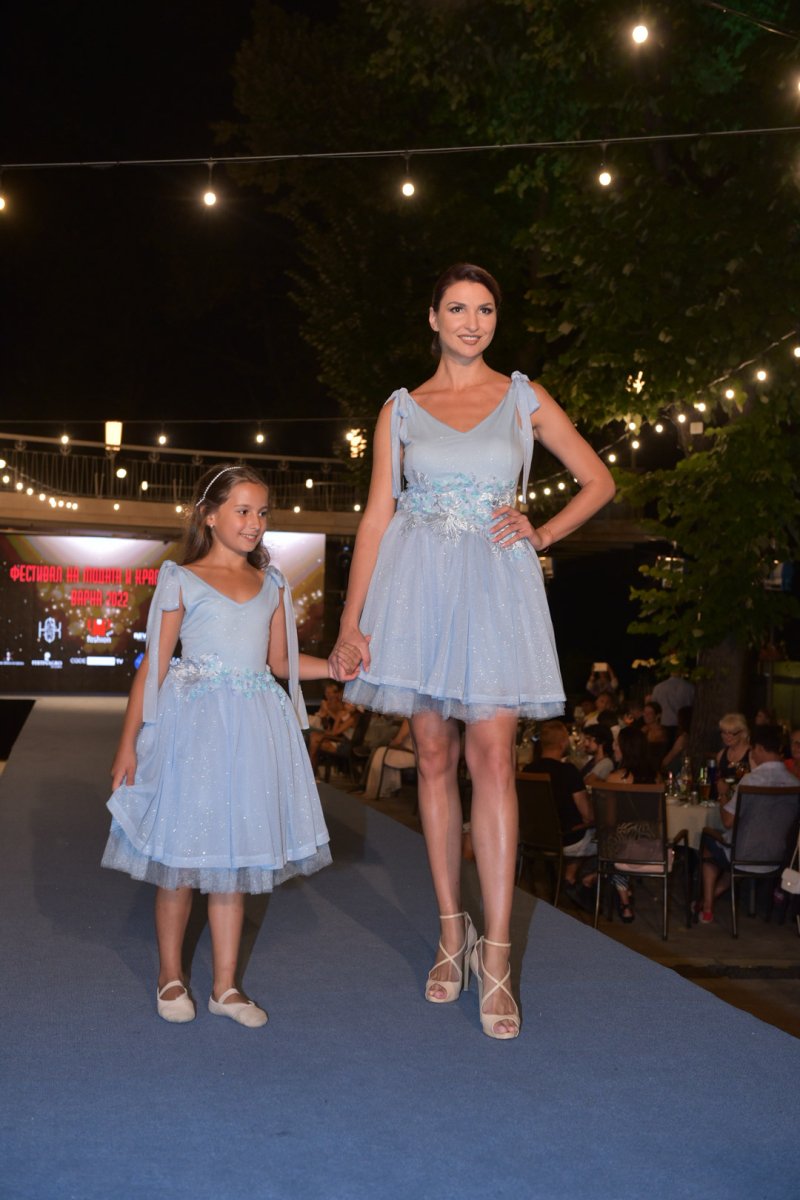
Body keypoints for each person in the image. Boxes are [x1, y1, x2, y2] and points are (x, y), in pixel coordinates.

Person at [328, 262, 615, 1038]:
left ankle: (497, 954)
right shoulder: (400, 409)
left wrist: (543, 533)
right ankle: (450, 932)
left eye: (485, 309)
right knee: (431, 757)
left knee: (493, 758)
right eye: (457, 308)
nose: (472, 321)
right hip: (418, 592)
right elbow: (377, 517)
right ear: (433, 318)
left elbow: (598, 481)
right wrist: (353, 621)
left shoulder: (523, 396)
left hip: (494, 590)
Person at [102, 465, 356, 1027]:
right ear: (209, 515)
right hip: (191, 730)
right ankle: (171, 976)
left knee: (235, 857)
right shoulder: (181, 578)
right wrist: (128, 745)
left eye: (262, 512)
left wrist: (335, 667)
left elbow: (280, 663)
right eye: (242, 511)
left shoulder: (273, 584)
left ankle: (225, 987)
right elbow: (153, 669)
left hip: (251, 733)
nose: (254, 523)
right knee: (179, 859)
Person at [698, 724, 798, 924]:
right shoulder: (794, 783)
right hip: (778, 857)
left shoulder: (750, 781)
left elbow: (727, 822)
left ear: (759, 748)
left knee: (709, 841)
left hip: (743, 854)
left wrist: (723, 794)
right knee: (733, 849)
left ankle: (707, 906)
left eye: (753, 750)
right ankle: (708, 900)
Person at [529, 720, 595, 897]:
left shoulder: (528, 770)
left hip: (534, 838)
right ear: (563, 743)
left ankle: (567, 878)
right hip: (566, 839)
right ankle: (577, 883)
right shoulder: (568, 771)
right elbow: (588, 815)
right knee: (602, 836)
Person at [603, 725, 659, 923]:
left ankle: (625, 903)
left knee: (611, 841)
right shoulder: (656, 777)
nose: (613, 747)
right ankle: (600, 879)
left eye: (617, 744)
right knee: (622, 842)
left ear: (626, 749)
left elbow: (609, 819)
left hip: (624, 848)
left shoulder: (615, 778)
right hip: (653, 845)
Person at [358, 717, 415, 800]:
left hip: (409, 754)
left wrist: (391, 743)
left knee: (379, 752)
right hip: (421, 757)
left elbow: (398, 740)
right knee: (384, 750)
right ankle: (391, 787)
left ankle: (374, 790)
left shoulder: (411, 718)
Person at [649, 667, 694, 744]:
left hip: (664, 723)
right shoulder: (690, 687)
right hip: (682, 725)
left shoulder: (658, 687)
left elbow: (653, 706)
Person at [715, 713, 750, 801]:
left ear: (742, 733)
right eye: (724, 732)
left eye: (731, 733)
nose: (727, 737)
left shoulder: (752, 754)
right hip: (725, 802)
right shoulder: (721, 755)